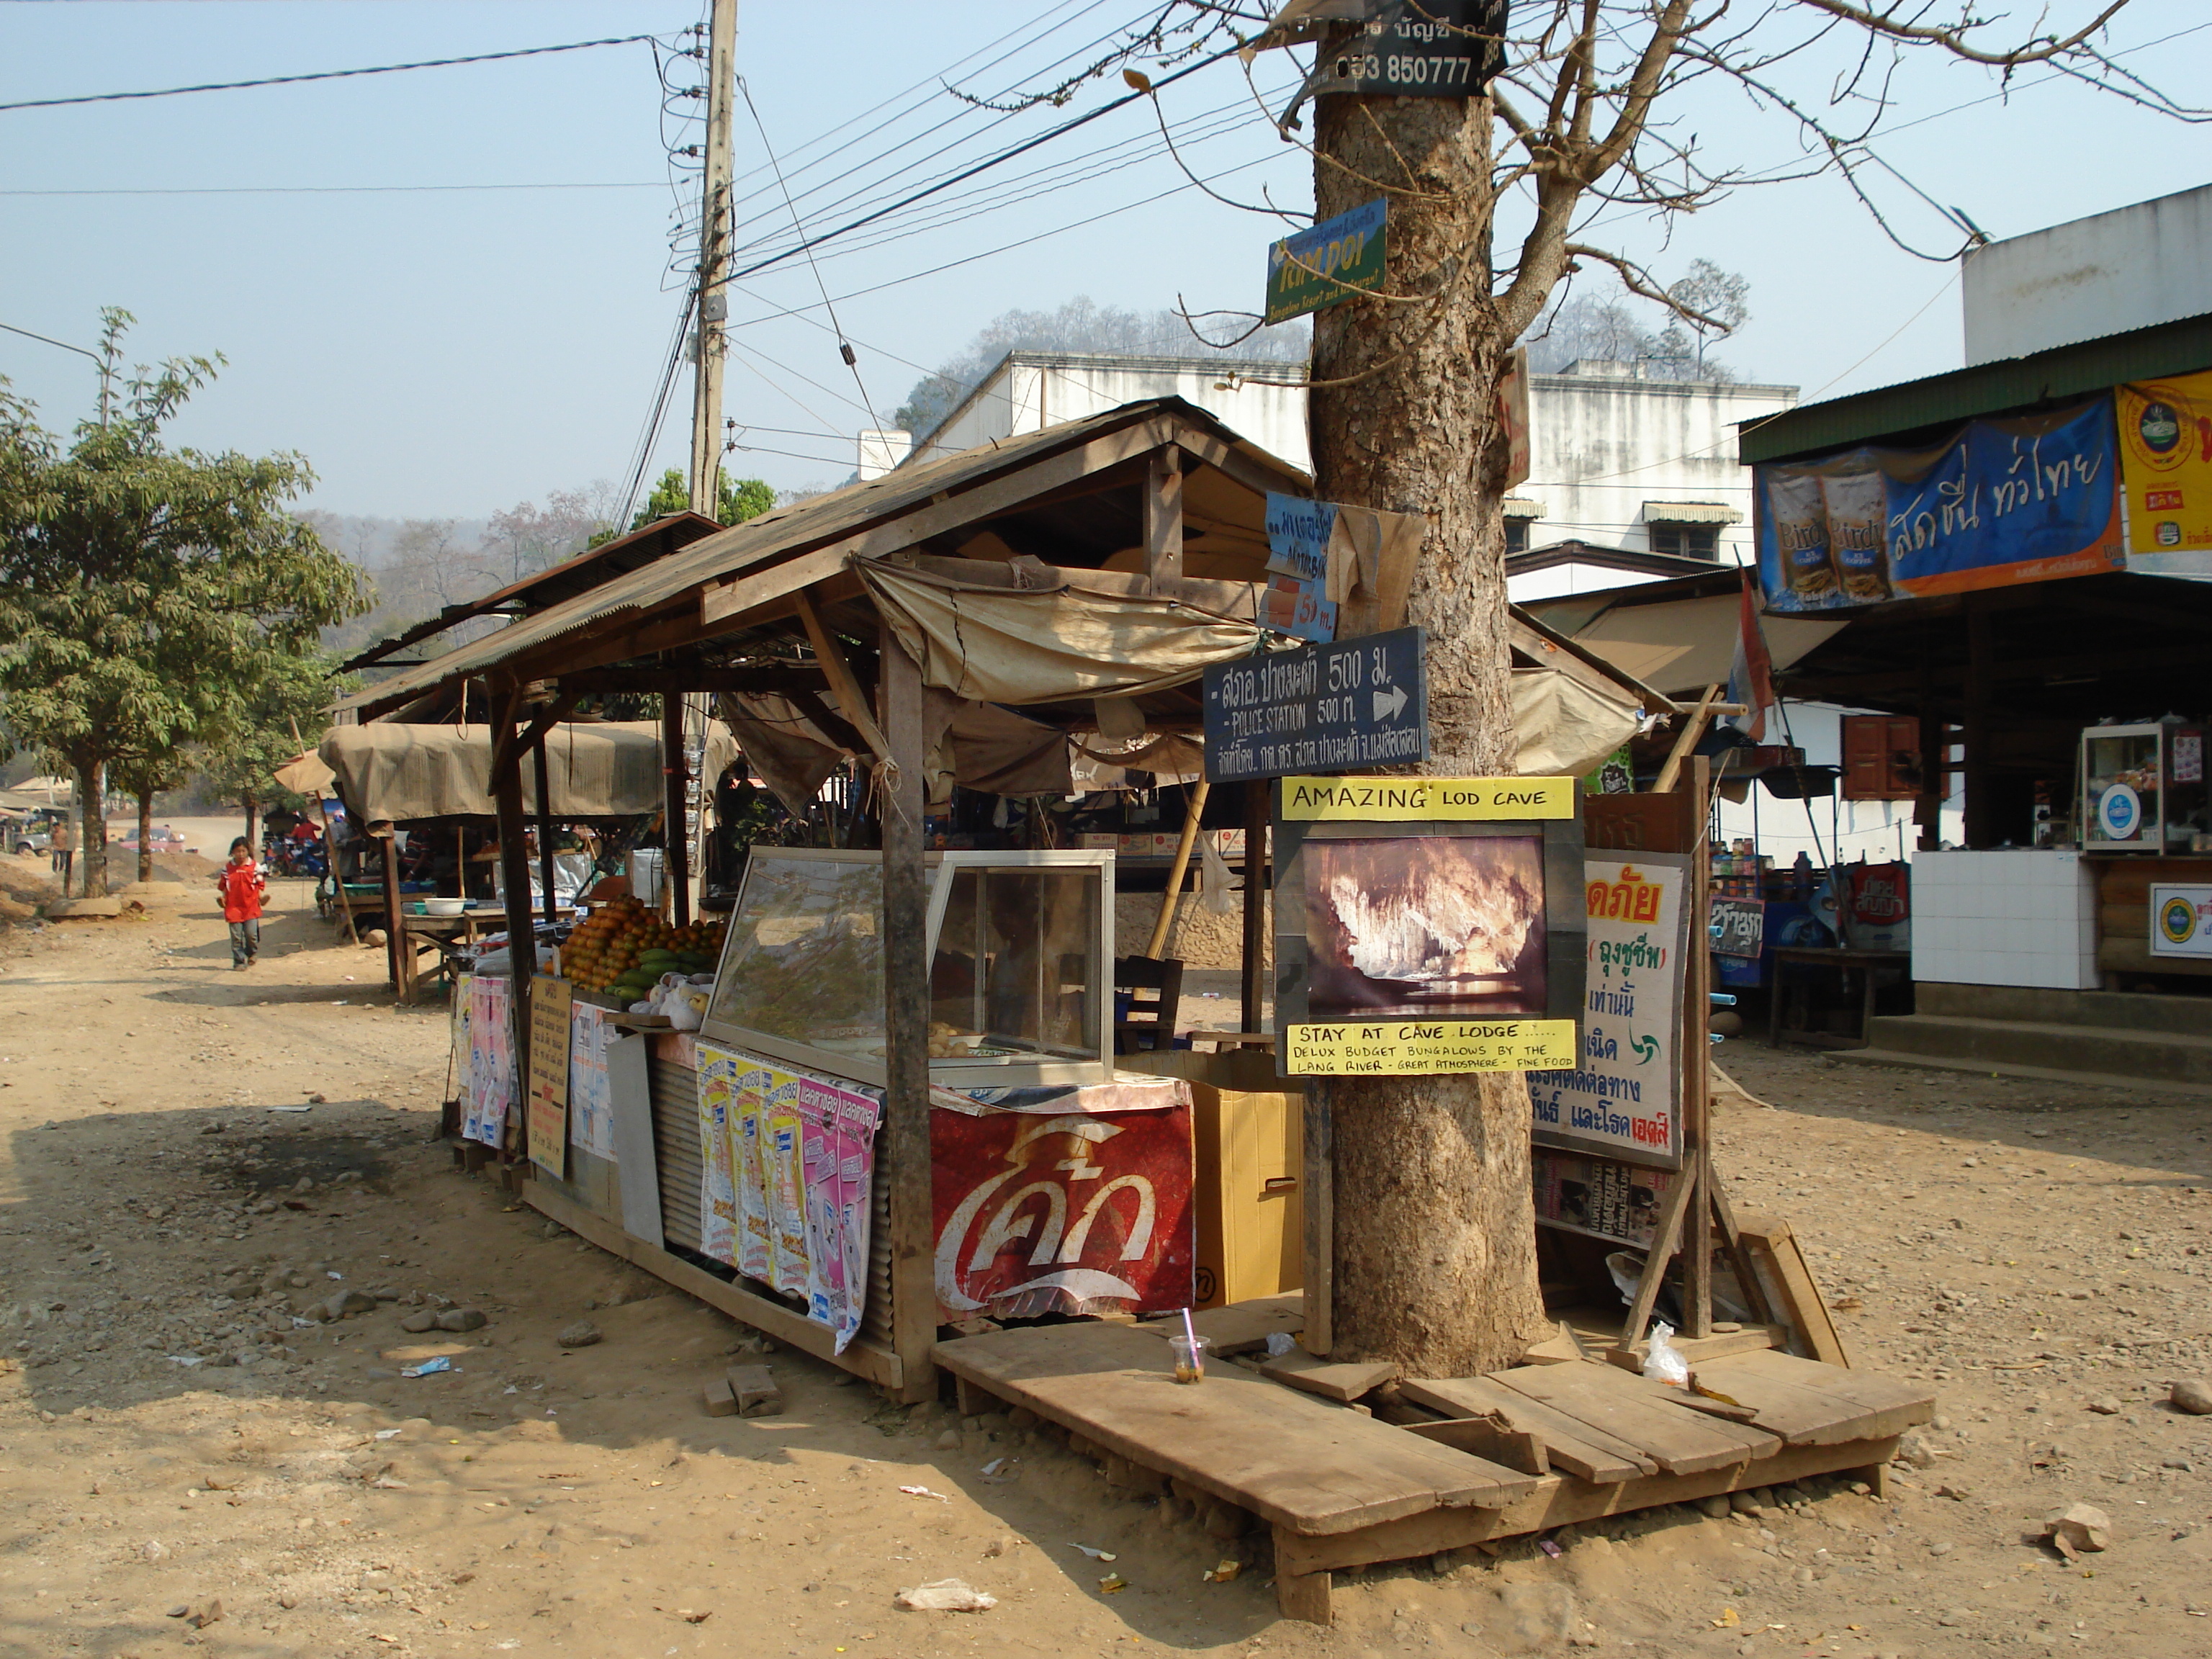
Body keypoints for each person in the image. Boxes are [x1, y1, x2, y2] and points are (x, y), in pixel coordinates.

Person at [215, 836, 267, 970]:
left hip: (251, 906)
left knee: (251, 935)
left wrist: (261, 897)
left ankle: (252, 953)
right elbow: (223, 887)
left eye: (243, 851)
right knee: (236, 937)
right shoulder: (227, 869)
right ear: (232, 852)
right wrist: (223, 899)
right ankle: (239, 962)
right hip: (233, 908)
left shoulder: (256, 867)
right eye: (238, 851)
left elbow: (260, 884)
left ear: (248, 851)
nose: (241, 854)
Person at [48, 814, 74, 894]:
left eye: (56, 827)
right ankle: (54, 869)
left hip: (63, 848)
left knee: (63, 860)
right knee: (55, 858)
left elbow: (68, 840)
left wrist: (69, 847)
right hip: (56, 848)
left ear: (59, 827)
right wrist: (51, 846)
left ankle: (60, 870)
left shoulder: (64, 832)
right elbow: (52, 840)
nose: (56, 829)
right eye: (54, 827)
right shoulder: (54, 833)